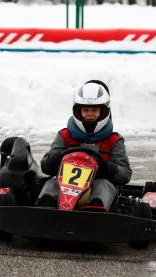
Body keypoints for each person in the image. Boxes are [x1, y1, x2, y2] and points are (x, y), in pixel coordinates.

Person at [35, 80, 132, 211]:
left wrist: (108, 168)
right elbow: (45, 166)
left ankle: (95, 208)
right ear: (77, 111)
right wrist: (56, 158)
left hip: (97, 185)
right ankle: (45, 207)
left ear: (103, 112)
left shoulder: (113, 140)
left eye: (95, 110)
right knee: (52, 183)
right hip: (64, 187)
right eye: (85, 110)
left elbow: (125, 174)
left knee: (103, 184)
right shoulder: (65, 135)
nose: (90, 114)